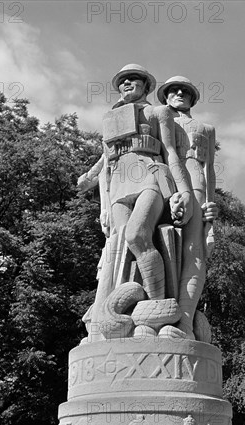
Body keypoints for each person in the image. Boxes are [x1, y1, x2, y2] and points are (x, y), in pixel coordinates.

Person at [78, 64, 193, 337]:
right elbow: (106, 160)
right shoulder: (112, 118)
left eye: (133, 79)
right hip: (118, 185)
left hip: (148, 177)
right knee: (117, 248)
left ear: (145, 85)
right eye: (122, 81)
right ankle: (117, 314)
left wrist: (185, 192)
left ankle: (158, 310)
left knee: (137, 235)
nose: (127, 83)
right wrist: (97, 193)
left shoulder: (158, 112)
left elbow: (171, 153)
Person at [157, 76, 218, 339]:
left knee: (195, 251)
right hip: (164, 182)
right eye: (173, 90)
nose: (180, 93)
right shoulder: (157, 117)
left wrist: (210, 204)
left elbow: (209, 168)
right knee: (161, 244)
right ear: (166, 96)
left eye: (185, 90)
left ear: (192, 97)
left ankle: (184, 321)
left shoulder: (206, 128)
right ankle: (158, 313)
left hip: (195, 184)